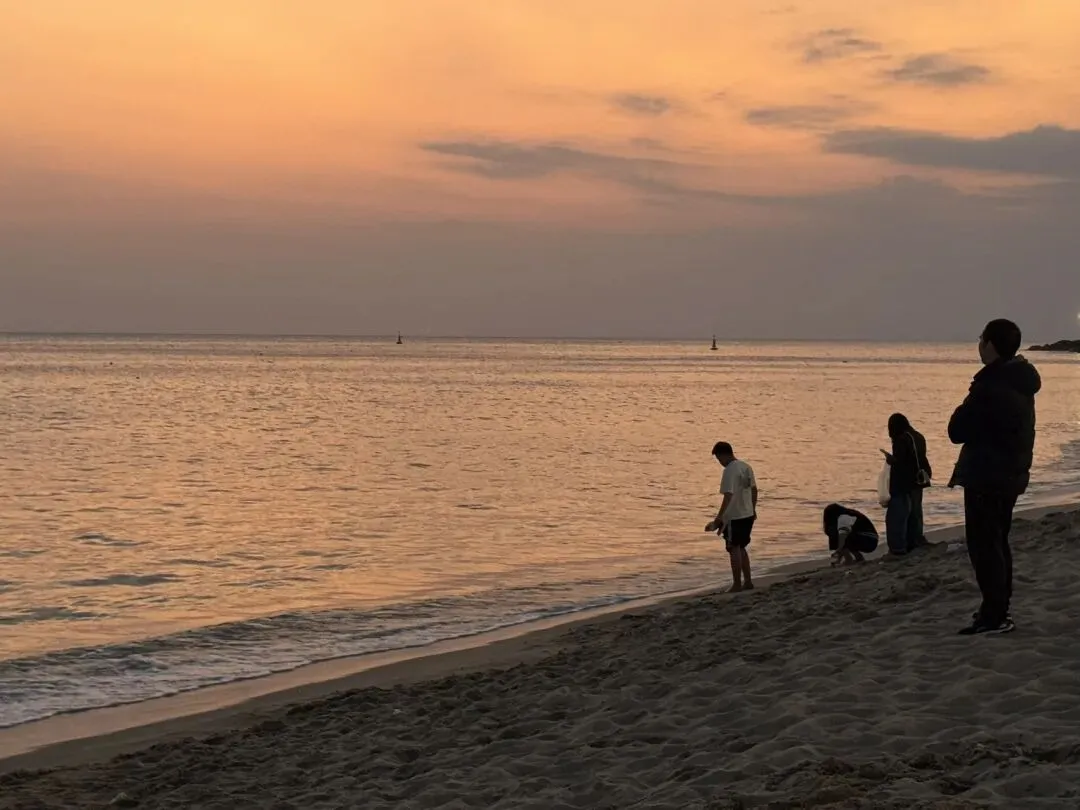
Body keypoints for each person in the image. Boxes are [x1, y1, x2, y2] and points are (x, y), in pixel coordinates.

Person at [948, 318, 1041, 636]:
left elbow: (957, 430)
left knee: (985, 546)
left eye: (981, 339)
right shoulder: (1019, 380)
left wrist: (967, 404)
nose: (978, 345)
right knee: (997, 542)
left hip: (988, 475)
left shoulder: (992, 385)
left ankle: (995, 614)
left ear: (990, 345)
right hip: (1009, 474)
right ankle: (998, 609)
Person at [704, 442, 758, 592]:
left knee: (733, 548)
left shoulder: (729, 470)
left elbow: (728, 496)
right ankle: (748, 581)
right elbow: (754, 490)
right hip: (747, 514)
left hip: (735, 516)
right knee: (741, 547)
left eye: (718, 459)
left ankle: (737, 584)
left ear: (723, 455)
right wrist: (753, 509)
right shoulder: (746, 467)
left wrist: (718, 519)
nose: (720, 462)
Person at [882, 413, 933, 556]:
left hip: (904, 482)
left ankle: (899, 548)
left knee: (900, 516)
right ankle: (915, 541)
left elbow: (900, 461)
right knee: (915, 513)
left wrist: (890, 460)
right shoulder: (918, 436)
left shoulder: (901, 439)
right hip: (918, 480)